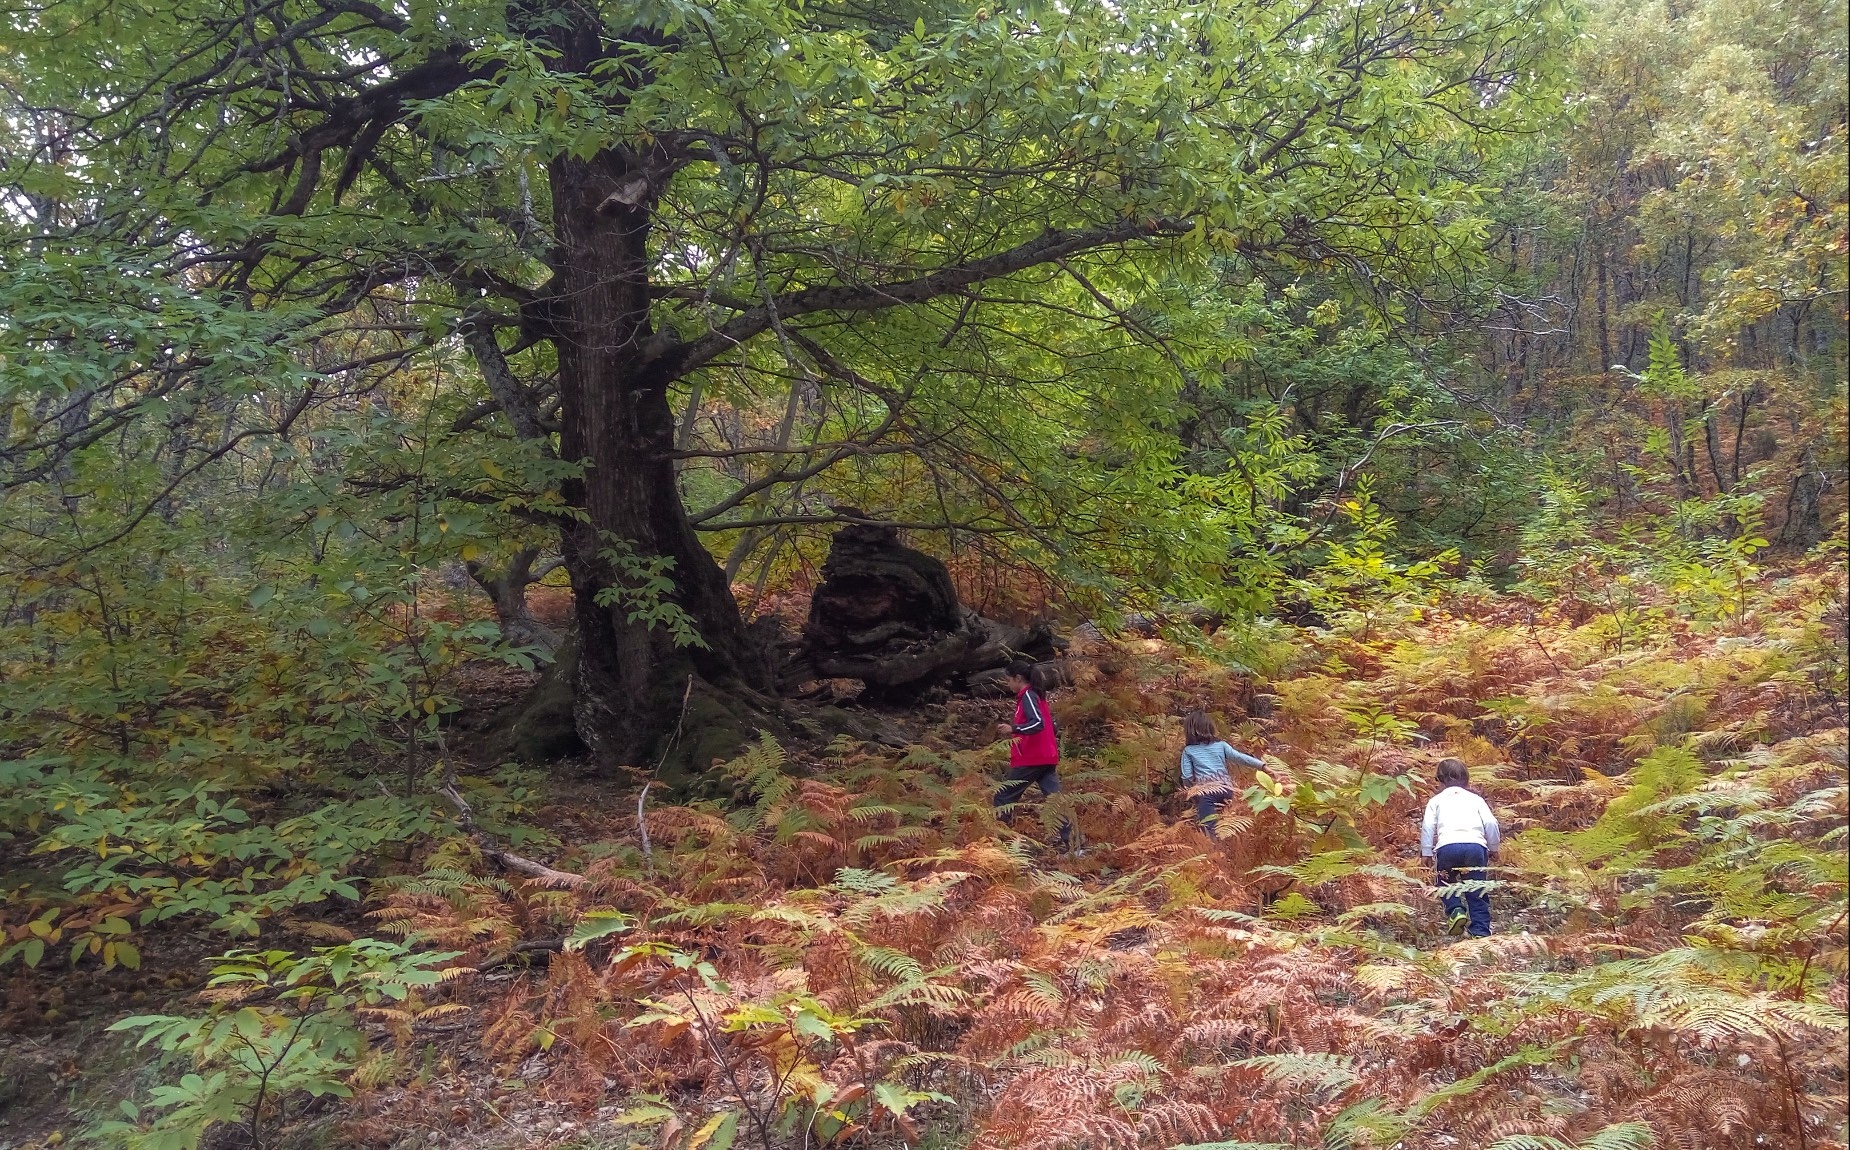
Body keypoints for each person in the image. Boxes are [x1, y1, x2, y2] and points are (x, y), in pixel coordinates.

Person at [993, 660, 1072, 851]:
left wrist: (1014, 728)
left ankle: (1000, 843)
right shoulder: (1037, 695)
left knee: (1003, 797)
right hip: (1047, 756)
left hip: (1032, 758)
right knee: (1055, 801)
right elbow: (1051, 725)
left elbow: (1037, 723)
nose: (1008, 685)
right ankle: (1075, 844)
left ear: (1018, 679)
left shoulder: (1027, 695)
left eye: (1009, 680)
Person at [1420, 757, 1501, 938]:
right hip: (1475, 848)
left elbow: (1427, 826)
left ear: (1439, 780)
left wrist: (1426, 851)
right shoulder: (1476, 799)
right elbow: (1490, 823)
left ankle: (1455, 909)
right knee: (1477, 888)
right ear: (1466, 779)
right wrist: (1494, 847)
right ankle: (1480, 930)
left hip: (1447, 848)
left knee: (1445, 882)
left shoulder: (1436, 801)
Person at [1178, 709, 1264, 835]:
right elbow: (1241, 758)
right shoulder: (1221, 745)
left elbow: (1187, 776)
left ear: (1189, 731)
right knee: (1227, 825)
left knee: (1210, 829)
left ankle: (1216, 851)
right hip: (1226, 790)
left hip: (1206, 793)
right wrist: (1263, 766)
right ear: (1210, 728)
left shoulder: (1189, 751)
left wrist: (1191, 792)